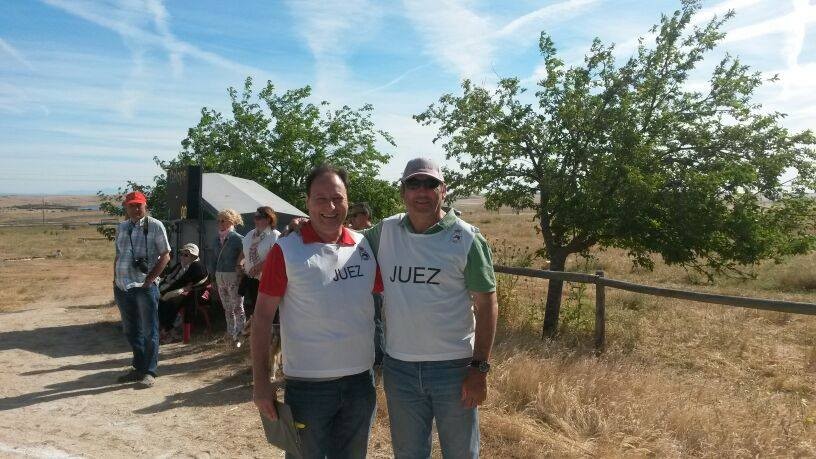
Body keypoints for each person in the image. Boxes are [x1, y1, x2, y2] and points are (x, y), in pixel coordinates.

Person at [366, 158, 498, 458]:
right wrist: (303, 229)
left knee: (461, 453)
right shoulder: (384, 232)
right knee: (408, 454)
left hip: (454, 369)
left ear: (444, 190)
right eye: (414, 184)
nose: (422, 191)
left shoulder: (466, 238)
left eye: (430, 184)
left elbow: (487, 305)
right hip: (399, 367)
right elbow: (344, 247)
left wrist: (480, 369)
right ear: (403, 191)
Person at [252, 165, 382, 459]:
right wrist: (261, 382)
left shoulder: (364, 246)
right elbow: (261, 320)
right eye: (320, 199)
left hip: (360, 384)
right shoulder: (286, 249)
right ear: (307, 202)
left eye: (338, 198)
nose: (330, 206)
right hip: (308, 389)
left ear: (348, 201)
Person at [113, 191, 171, 388]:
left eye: (139, 205)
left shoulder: (155, 226)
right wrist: (115, 279)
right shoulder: (121, 227)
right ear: (126, 207)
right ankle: (138, 367)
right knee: (131, 330)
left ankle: (150, 371)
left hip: (143, 286)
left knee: (149, 329)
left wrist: (150, 279)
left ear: (145, 206)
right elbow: (118, 255)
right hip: (122, 286)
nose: (136, 209)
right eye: (132, 206)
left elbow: (165, 256)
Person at [348, 202, 384, 367]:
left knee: (375, 321)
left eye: (355, 215)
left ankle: (379, 359)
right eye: (350, 216)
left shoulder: (374, 233)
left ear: (365, 216)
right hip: (361, 285)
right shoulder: (356, 234)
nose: (352, 219)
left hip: (375, 286)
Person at [157, 243, 208, 343]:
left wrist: (164, 291)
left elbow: (181, 282)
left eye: (186, 255)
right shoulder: (180, 265)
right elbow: (170, 277)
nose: (182, 257)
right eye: (181, 254)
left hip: (195, 294)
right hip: (180, 290)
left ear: (194, 256)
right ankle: (168, 330)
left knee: (168, 301)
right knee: (161, 299)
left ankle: (166, 330)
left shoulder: (196, 266)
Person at [238, 206, 280, 319]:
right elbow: (244, 252)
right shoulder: (250, 234)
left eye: (259, 217)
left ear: (269, 219)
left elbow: (277, 258)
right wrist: (240, 264)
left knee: (269, 312)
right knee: (256, 310)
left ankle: (273, 335)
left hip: (268, 279)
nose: (256, 220)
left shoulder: (275, 235)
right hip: (252, 279)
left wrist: (260, 267)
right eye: (255, 217)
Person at [213, 209, 245, 346]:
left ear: (231, 221)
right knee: (227, 308)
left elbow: (245, 254)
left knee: (237, 306)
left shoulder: (238, 238)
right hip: (220, 275)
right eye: (219, 220)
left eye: (223, 220)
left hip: (233, 275)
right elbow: (213, 258)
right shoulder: (216, 238)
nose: (220, 223)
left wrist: (240, 267)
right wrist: (212, 275)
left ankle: (240, 335)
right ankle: (230, 333)